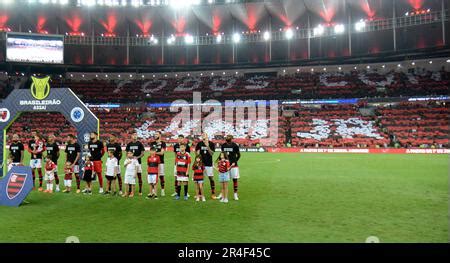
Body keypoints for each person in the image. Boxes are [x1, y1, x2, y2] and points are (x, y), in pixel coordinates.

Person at [195, 132, 217, 199]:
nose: (203, 136)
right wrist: (197, 154)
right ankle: (199, 194)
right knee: (200, 179)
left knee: (211, 178)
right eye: (202, 135)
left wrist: (207, 146)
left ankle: (213, 193)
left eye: (205, 135)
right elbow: (196, 152)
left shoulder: (211, 144)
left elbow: (212, 153)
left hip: (209, 164)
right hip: (201, 164)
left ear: (207, 136)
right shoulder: (199, 143)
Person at [221, 135, 241, 200]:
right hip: (225, 165)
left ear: (231, 139)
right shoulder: (223, 145)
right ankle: (222, 193)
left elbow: (239, 155)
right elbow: (222, 154)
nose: (228, 139)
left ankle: (235, 194)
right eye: (227, 138)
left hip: (233, 165)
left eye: (229, 138)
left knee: (234, 179)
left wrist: (235, 161)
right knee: (224, 179)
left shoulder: (235, 145)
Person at [149, 131, 167, 196]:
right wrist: (155, 153)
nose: (155, 135)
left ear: (160, 135)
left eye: (157, 134)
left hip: (161, 162)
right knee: (153, 176)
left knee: (161, 176)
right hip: (153, 162)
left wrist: (154, 153)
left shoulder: (163, 143)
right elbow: (150, 152)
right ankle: (153, 190)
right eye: (155, 134)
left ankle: (162, 190)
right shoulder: (152, 143)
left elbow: (162, 153)